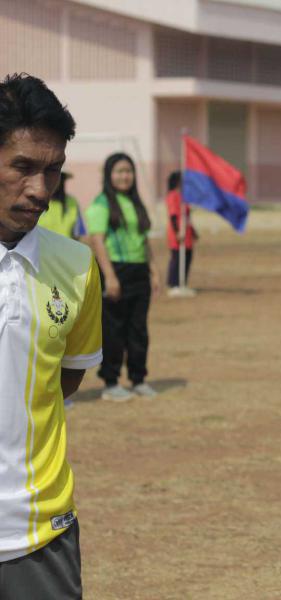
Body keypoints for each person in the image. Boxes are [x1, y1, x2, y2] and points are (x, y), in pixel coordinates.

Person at [0, 73, 102, 600]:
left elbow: (63, 381)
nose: (40, 190)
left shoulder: (76, 265)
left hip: (39, 534)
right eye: (22, 167)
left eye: (53, 170)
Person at [85, 152, 159, 401]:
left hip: (139, 272)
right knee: (114, 329)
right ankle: (111, 382)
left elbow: (143, 239)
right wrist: (110, 277)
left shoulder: (135, 202)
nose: (124, 176)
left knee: (139, 329)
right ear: (109, 175)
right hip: (116, 270)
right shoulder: (102, 203)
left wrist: (154, 271)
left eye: (128, 171)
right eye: (119, 171)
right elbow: (97, 241)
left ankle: (138, 379)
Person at [164, 171, 197, 289]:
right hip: (177, 233)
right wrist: (177, 231)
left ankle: (183, 282)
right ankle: (174, 283)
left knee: (187, 257)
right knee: (177, 258)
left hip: (186, 233)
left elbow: (187, 217)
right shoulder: (173, 196)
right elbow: (173, 215)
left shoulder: (184, 197)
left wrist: (193, 232)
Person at [37, 172, 85, 240]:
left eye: (57, 176)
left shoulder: (72, 202)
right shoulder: (36, 201)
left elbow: (79, 234)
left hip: (66, 246)